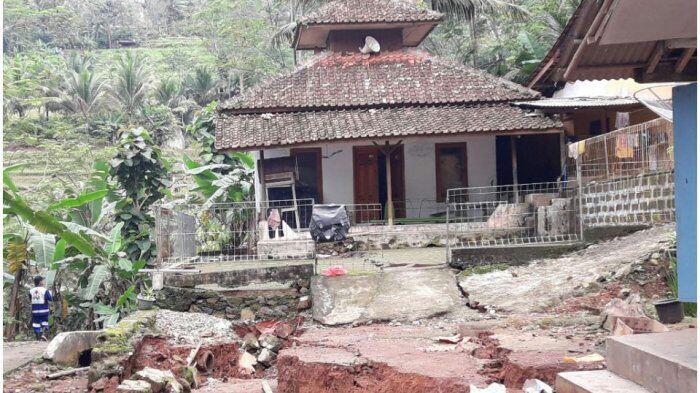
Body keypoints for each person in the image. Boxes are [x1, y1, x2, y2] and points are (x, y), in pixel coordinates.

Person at [29, 275, 52, 341]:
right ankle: (43, 335)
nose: (43, 281)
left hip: (35, 311)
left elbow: (30, 299)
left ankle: (39, 337)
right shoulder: (44, 290)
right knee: (45, 323)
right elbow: (50, 298)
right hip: (44, 311)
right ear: (40, 282)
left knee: (36, 324)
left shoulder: (31, 291)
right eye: (42, 280)